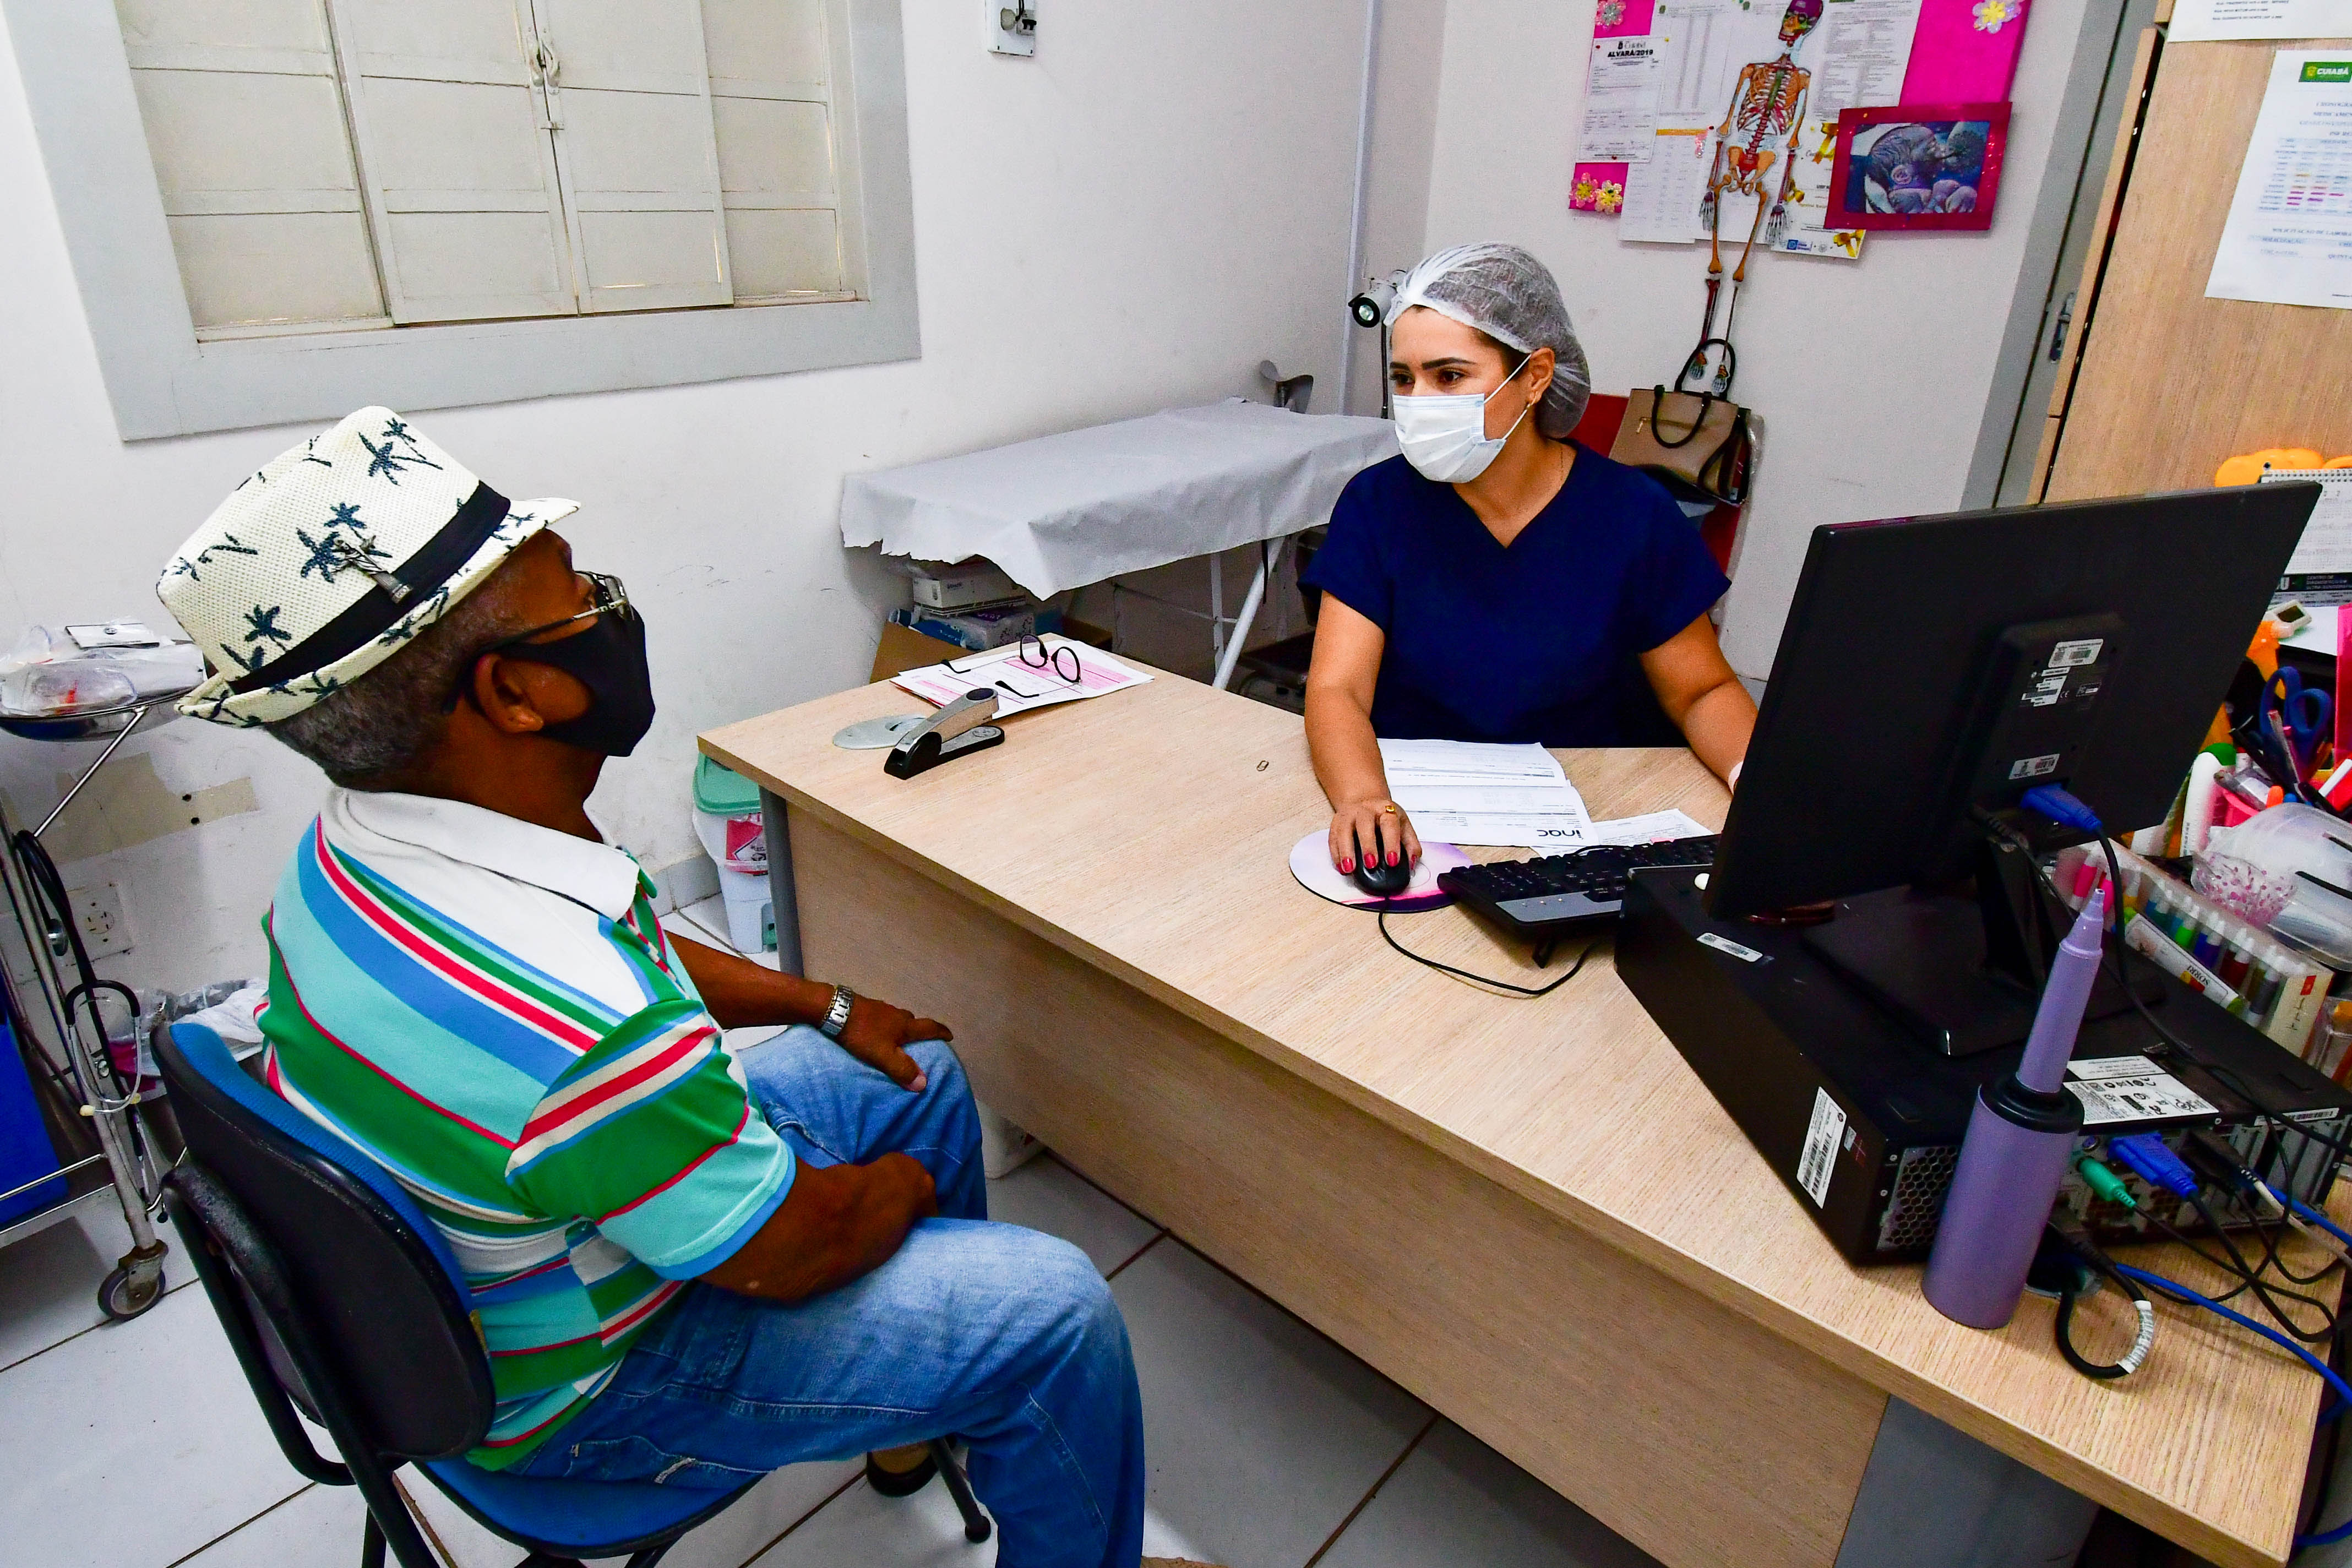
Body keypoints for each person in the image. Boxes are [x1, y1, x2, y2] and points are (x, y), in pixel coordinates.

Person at [156, 407, 1210, 1568]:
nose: (609, 608)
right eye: (581, 596)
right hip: (595, 1401)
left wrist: (826, 1005)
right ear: (516, 692)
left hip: (492, 1264)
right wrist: (900, 1194)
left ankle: (915, 1424)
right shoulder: (584, 1028)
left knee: (917, 1069)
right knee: (1056, 1310)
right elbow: (790, 1249)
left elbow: (632, 940)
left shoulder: (353, 850)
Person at [1300, 243, 1757, 876]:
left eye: (1449, 376)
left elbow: (1703, 690)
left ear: (1536, 376)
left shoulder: (1631, 513)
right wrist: (1363, 798)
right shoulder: (1378, 505)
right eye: (1404, 379)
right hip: (1424, 818)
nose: (1419, 400)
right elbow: (1337, 688)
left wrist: (1758, 785)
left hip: (1594, 815)